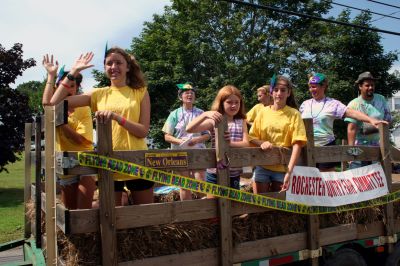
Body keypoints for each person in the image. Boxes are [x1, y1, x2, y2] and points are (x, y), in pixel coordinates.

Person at [48, 47, 153, 206]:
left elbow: (143, 131)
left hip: (137, 161)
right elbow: (54, 104)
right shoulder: (97, 94)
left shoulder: (140, 92)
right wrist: (73, 72)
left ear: (128, 67)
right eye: (109, 63)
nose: (113, 67)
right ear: (104, 68)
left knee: (145, 218)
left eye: (118, 62)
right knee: (111, 220)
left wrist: (117, 118)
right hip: (108, 164)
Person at [300, 73, 388, 171]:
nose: (312, 90)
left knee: (326, 179)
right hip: (306, 147)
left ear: (323, 86)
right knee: (307, 179)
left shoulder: (332, 104)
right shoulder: (305, 104)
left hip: (326, 146)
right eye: (310, 87)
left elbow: (351, 113)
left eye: (314, 87)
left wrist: (371, 120)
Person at [42, 54, 96, 209]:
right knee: (70, 213)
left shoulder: (83, 108)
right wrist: (51, 75)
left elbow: (81, 141)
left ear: (77, 88)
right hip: (64, 163)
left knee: (83, 211)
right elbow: (47, 105)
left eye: (72, 86)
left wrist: (60, 123)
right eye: (63, 87)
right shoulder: (55, 109)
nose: (68, 90)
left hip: (84, 162)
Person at [186, 85, 249, 196]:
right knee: (213, 203)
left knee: (232, 205)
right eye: (229, 102)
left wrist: (229, 144)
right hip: (215, 171)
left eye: (237, 102)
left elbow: (246, 143)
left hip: (234, 172)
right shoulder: (215, 121)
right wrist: (205, 114)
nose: (234, 105)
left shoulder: (241, 120)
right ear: (221, 103)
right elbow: (189, 129)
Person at [249, 75, 307, 193]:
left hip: (283, 167)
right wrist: (262, 142)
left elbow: (298, 144)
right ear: (271, 92)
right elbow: (251, 137)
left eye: (283, 90)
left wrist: (289, 172)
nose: (279, 93)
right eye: (276, 90)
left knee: (279, 208)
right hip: (262, 165)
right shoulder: (263, 112)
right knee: (260, 205)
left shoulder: (294, 114)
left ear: (289, 93)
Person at [162, 83, 209, 200]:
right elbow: (167, 136)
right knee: (184, 184)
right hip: (179, 152)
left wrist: (197, 139)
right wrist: (179, 141)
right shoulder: (174, 114)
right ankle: (187, 213)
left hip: (198, 151)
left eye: (192, 93)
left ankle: (204, 212)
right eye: (186, 92)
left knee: (201, 181)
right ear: (180, 97)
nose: (189, 94)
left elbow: (208, 135)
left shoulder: (201, 113)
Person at [345, 71, 392, 169]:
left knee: (378, 181)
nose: (371, 87)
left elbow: (388, 121)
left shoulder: (381, 99)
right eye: (367, 85)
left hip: (379, 148)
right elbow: (351, 129)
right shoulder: (353, 104)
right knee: (358, 179)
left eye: (372, 85)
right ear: (360, 87)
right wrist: (351, 151)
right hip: (360, 149)